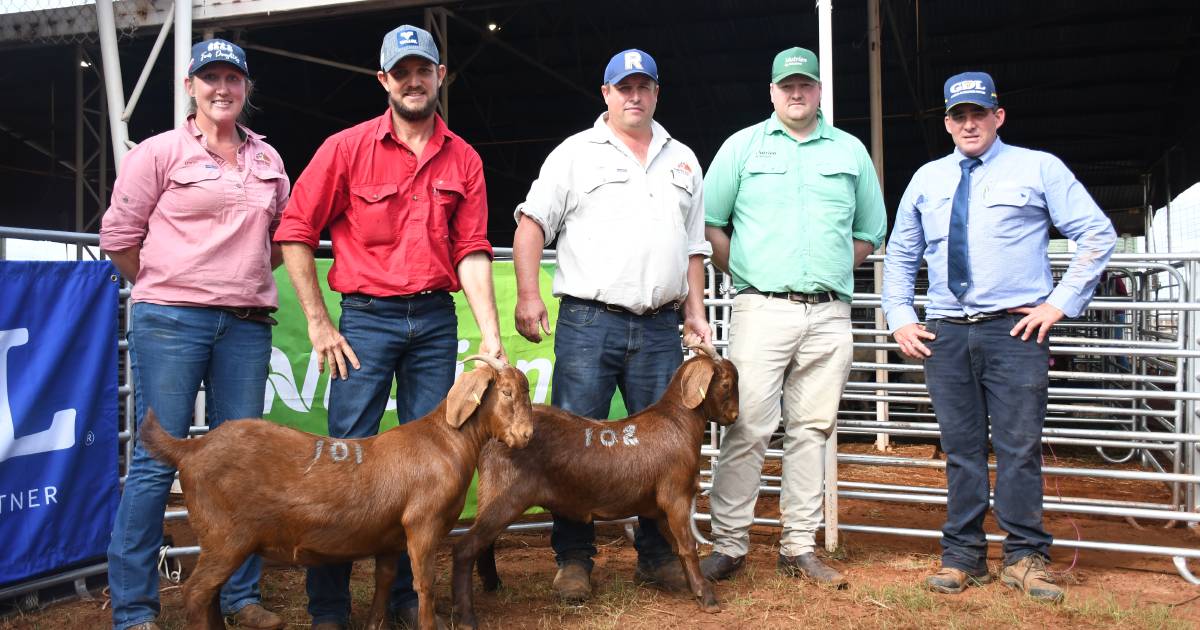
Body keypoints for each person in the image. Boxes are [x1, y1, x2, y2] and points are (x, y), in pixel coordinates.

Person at [272, 24, 503, 630]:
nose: (413, 80)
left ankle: (403, 598)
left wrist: (490, 334)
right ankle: (328, 607)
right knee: (345, 459)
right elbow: (296, 231)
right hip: (366, 322)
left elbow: (472, 249)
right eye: (401, 71)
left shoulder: (465, 158)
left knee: (434, 467)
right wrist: (320, 324)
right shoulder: (345, 148)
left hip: (434, 320)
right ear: (384, 81)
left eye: (423, 69)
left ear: (439, 77)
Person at [882, 71, 1116, 602]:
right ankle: (963, 557)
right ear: (946, 122)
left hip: (1014, 330)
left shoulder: (1038, 167)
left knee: (1018, 446)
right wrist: (899, 313)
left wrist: (1059, 303)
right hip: (946, 332)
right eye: (958, 116)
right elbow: (900, 253)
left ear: (998, 116)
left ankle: (1026, 556)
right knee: (961, 449)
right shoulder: (927, 179)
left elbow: (1097, 233)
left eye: (978, 114)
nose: (969, 124)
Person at [511, 48, 712, 601]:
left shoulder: (684, 160)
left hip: (658, 326)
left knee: (662, 449)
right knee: (576, 444)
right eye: (624, 87)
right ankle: (574, 560)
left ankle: (655, 557)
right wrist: (528, 293)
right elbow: (531, 225)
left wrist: (694, 311)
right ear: (606, 94)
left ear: (656, 93)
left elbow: (694, 248)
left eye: (644, 86)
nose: (634, 95)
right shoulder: (576, 154)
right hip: (589, 321)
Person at [100, 39, 288, 630]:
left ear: (247, 88)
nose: (222, 88)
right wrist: (168, 284)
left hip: (247, 324)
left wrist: (236, 280)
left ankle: (239, 599)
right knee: (159, 459)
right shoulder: (156, 153)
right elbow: (120, 238)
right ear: (190, 86)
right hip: (171, 319)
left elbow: (282, 239)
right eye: (210, 78)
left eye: (233, 78)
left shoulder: (269, 160)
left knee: (243, 466)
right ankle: (134, 611)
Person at [700, 46, 886, 588]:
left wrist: (827, 273)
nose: (797, 93)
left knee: (812, 429)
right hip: (762, 308)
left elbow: (870, 231)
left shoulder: (850, 152)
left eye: (805, 84)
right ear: (772, 92)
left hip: (829, 313)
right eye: (787, 86)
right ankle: (730, 545)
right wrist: (752, 274)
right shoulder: (742, 147)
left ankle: (798, 546)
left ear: (819, 90)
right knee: (748, 426)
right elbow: (712, 223)